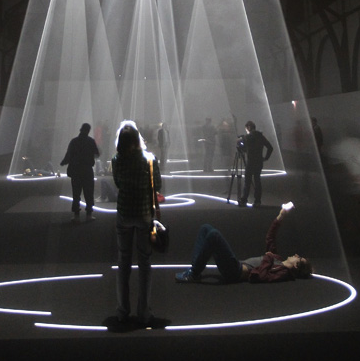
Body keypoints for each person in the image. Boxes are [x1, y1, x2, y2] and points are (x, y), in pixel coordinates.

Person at [176, 201, 312, 283]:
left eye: (298, 257)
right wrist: (281, 216)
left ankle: (193, 274)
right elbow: (270, 237)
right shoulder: (278, 259)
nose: (295, 254)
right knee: (205, 228)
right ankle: (195, 270)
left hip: (236, 272)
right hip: (237, 264)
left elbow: (263, 276)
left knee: (214, 235)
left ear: (296, 266)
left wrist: (269, 257)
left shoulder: (282, 273)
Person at [112, 120, 162, 325]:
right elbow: (157, 185)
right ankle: (144, 312)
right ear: (137, 139)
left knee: (123, 262)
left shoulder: (117, 160)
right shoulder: (149, 159)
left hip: (124, 213)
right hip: (144, 214)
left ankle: (123, 310)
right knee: (145, 263)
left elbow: (117, 183)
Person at [60, 122, 100, 222]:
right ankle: (89, 214)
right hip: (87, 169)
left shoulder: (74, 141)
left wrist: (63, 162)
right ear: (88, 131)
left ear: (80, 129)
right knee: (89, 192)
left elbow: (68, 155)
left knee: (76, 193)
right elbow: (97, 153)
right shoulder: (91, 141)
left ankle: (76, 214)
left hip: (76, 170)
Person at [238, 120, 273, 207]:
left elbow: (244, 149)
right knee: (257, 180)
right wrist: (266, 158)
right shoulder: (261, 136)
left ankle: (244, 200)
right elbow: (270, 147)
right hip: (259, 161)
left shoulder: (247, 137)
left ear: (249, 128)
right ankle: (257, 201)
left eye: (246, 129)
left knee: (247, 181)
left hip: (250, 162)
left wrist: (240, 144)